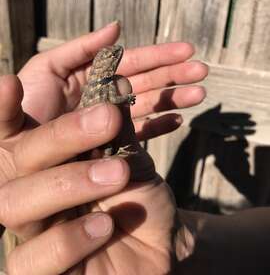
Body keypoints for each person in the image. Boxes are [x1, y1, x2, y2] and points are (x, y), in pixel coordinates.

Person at [0, 22, 269, 274]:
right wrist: (10, 161)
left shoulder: (96, 85)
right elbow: (110, 97)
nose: (117, 55)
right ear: (106, 65)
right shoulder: (99, 85)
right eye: (112, 56)